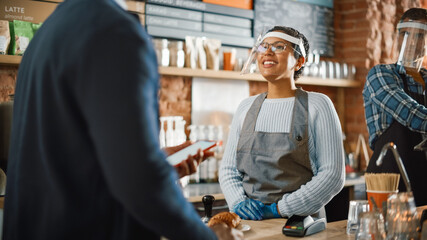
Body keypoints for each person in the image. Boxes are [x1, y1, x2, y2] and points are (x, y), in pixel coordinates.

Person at [2, 0, 244, 239]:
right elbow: (139, 184)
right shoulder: (115, 32)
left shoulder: (48, 32)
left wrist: (156, 161)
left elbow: (77, 157)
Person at [219, 25, 345, 220]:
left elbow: (332, 176)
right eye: (263, 46)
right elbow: (229, 169)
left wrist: (279, 209)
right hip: (252, 225)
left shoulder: (318, 105)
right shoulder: (246, 107)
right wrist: (239, 202)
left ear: (299, 61)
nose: (267, 52)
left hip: (301, 225)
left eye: (279, 47)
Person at [363, 7, 427, 206]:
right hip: (389, 179)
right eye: (405, 34)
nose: (412, 42)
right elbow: (410, 113)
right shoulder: (381, 74)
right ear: (397, 38)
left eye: (421, 35)